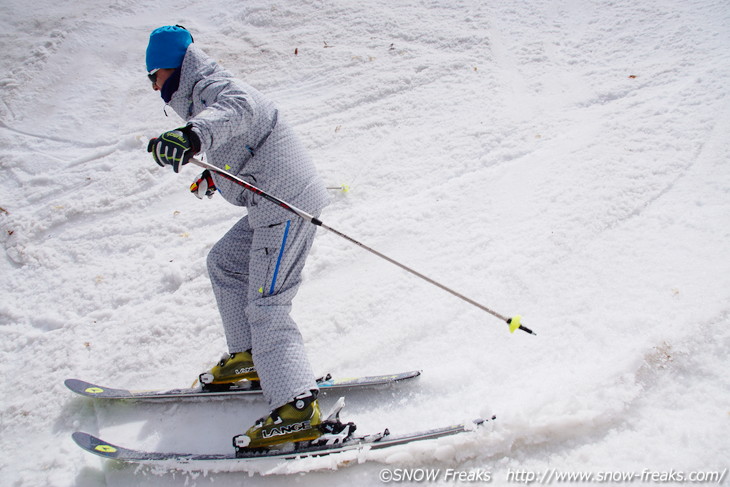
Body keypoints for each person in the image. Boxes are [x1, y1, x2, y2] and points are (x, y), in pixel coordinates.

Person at [145, 25, 331, 449]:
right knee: (224, 263)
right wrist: (214, 175)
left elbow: (238, 110)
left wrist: (191, 136)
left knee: (268, 304)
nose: (152, 86)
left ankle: (297, 407)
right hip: (271, 204)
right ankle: (249, 357)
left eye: (151, 75)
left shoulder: (217, 89)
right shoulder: (203, 92)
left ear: (167, 68)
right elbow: (245, 140)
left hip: (286, 206)